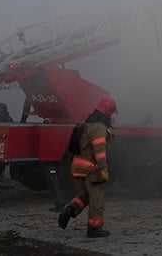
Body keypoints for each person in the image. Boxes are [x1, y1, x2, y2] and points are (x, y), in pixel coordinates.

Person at [57, 97, 117, 238]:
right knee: (97, 199)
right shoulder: (99, 128)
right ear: (108, 112)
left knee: (85, 195)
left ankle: (69, 211)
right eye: (112, 113)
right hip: (92, 170)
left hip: (78, 167)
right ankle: (94, 228)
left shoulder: (86, 124)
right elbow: (99, 151)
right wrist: (103, 170)